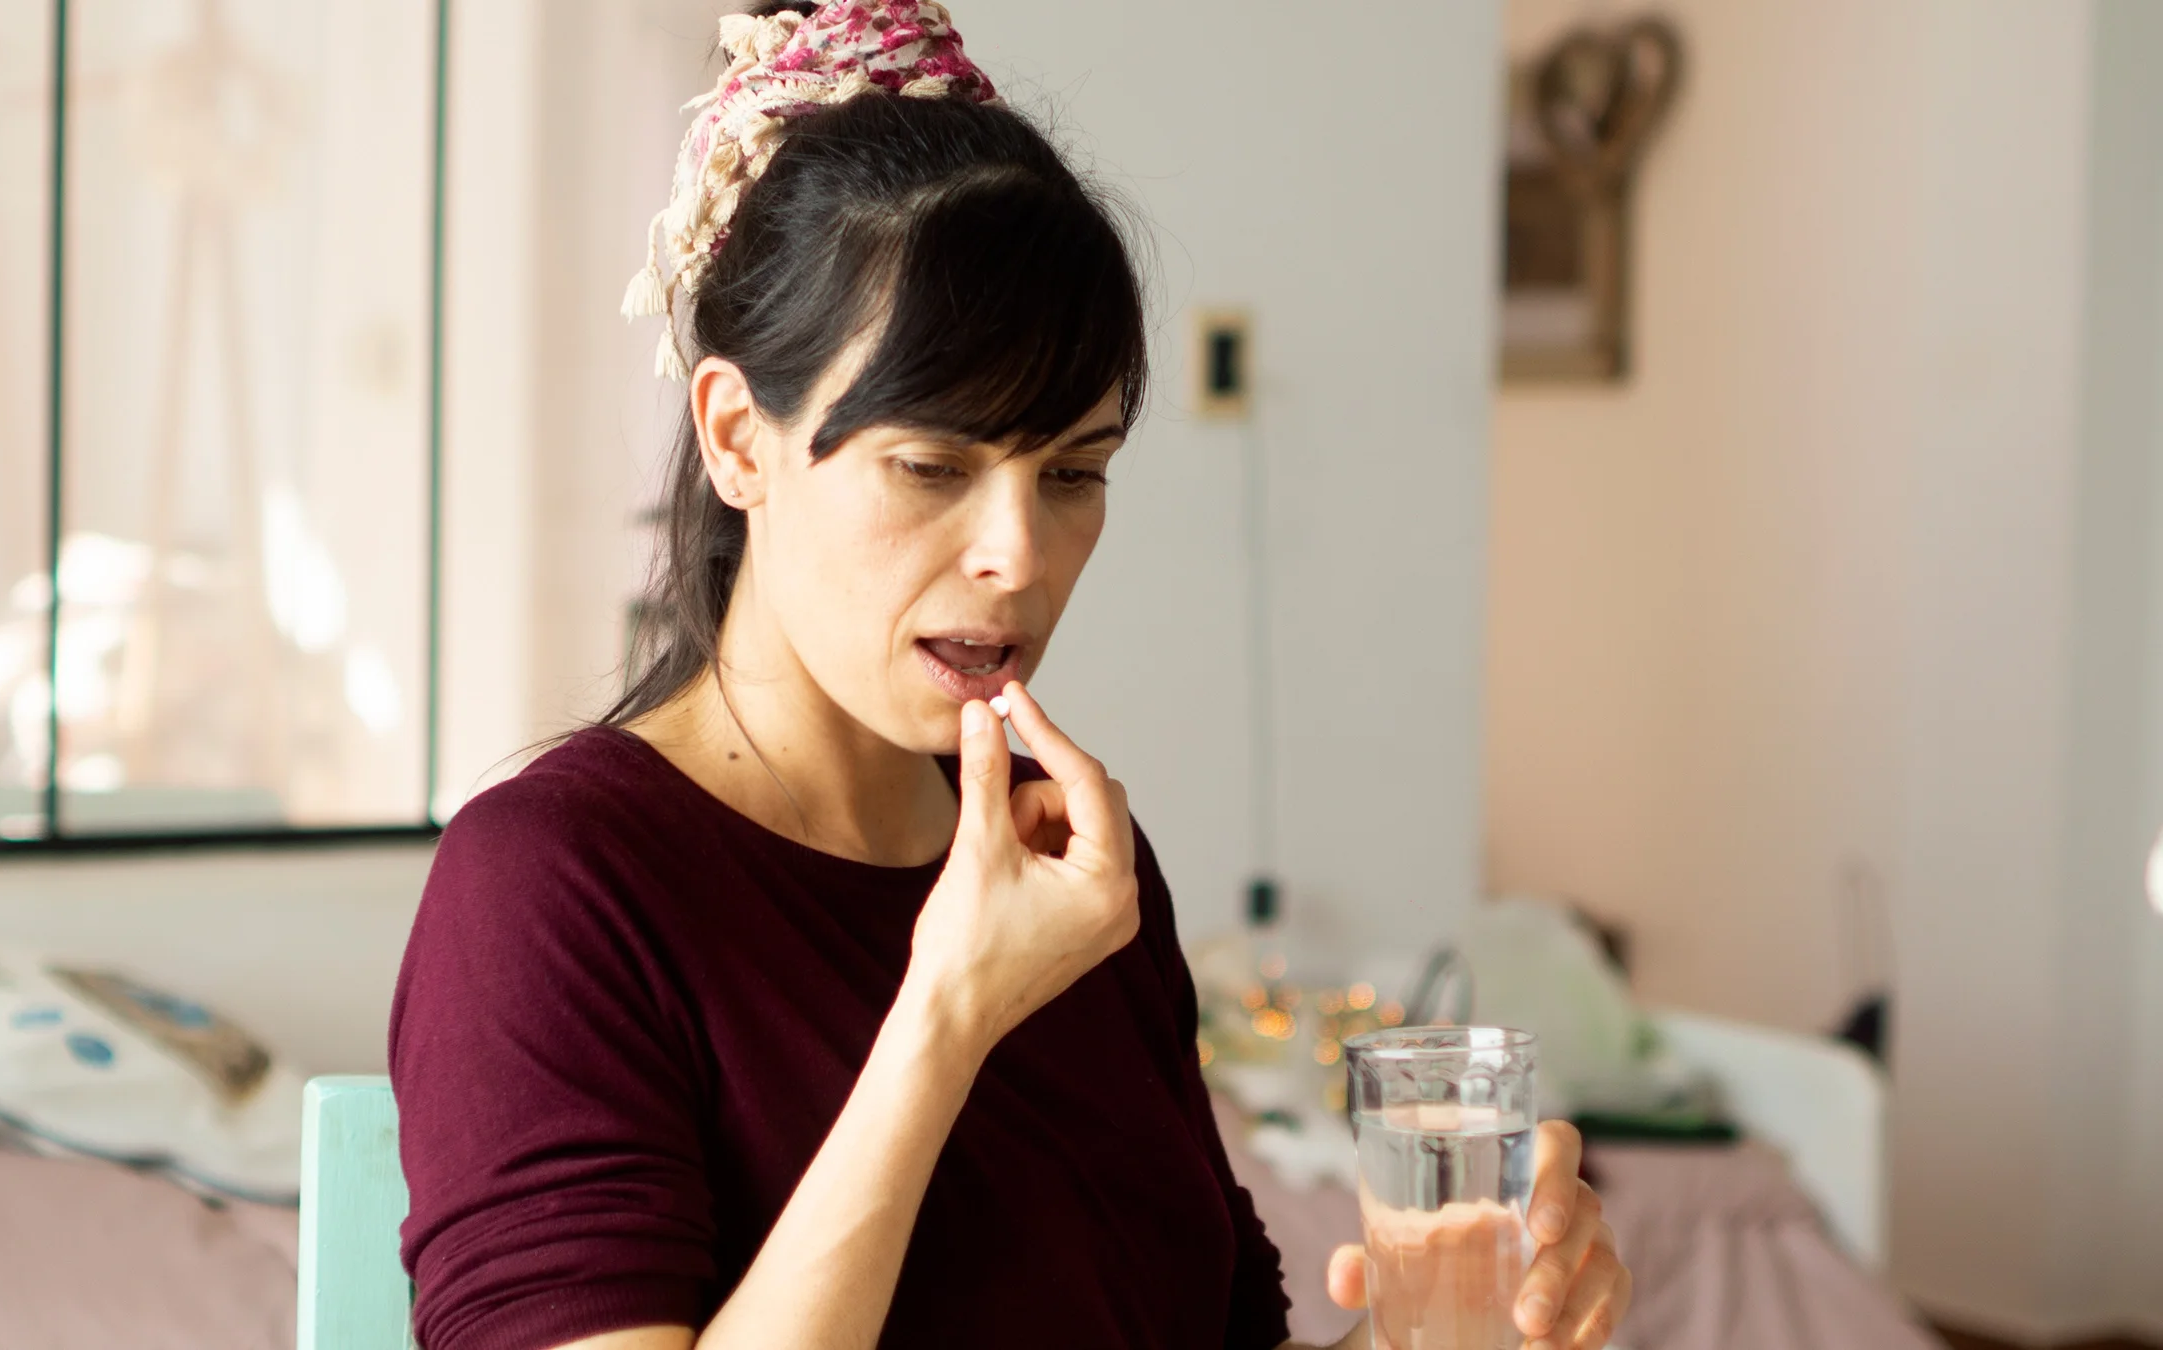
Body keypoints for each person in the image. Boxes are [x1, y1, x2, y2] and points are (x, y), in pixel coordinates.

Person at [387, 3, 1632, 1348]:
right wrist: (946, 1015)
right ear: (741, 436)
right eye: (932, 467)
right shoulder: (553, 887)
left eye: (1074, 473)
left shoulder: (1073, 866)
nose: (1017, 554)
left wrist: (1427, 1333)